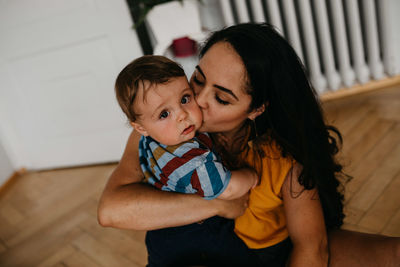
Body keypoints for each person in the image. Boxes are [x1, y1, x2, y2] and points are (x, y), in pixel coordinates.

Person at [98, 23, 400, 266]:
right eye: (198, 80)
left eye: (221, 97)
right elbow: (111, 211)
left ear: (257, 108)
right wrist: (217, 204)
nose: (197, 104)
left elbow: (312, 248)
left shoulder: (281, 158)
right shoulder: (160, 132)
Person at [114, 55, 258, 266]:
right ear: (140, 128)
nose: (182, 114)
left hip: (162, 231)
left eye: (184, 99)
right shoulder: (187, 158)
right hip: (194, 233)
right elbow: (226, 188)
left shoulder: (153, 138)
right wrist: (250, 176)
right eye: (164, 114)